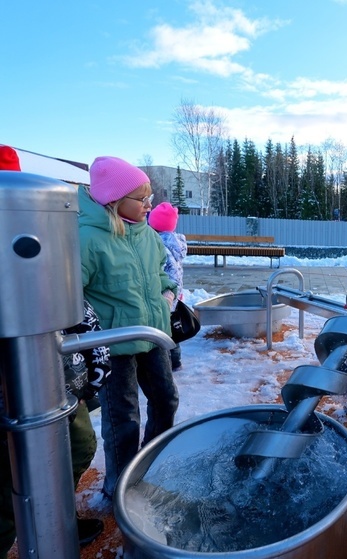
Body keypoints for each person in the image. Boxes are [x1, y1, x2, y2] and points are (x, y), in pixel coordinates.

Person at [0, 146, 110, 554]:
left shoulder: (51, 230)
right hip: (10, 381)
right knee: (5, 476)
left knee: (78, 444)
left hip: (55, 377)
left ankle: (53, 515)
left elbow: (73, 301)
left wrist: (92, 352)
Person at [77, 155, 179, 500]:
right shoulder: (88, 239)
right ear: (115, 200)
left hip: (151, 338)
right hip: (115, 347)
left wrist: (168, 293)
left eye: (150, 196)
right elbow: (72, 294)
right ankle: (118, 488)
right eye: (142, 198)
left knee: (166, 400)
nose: (150, 203)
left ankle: (149, 467)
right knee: (123, 419)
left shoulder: (146, 234)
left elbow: (163, 274)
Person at [148, 202, 188, 370]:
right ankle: (176, 360)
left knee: (164, 330)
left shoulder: (157, 244)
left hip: (165, 293)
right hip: (176, 291)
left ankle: (167, 362)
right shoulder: (176, 243)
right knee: (172, 328)